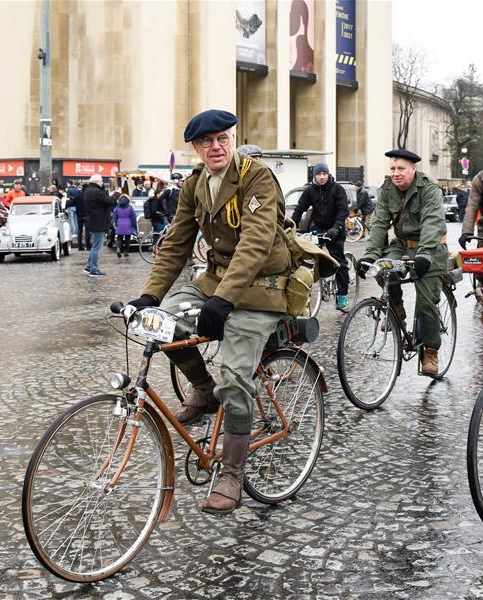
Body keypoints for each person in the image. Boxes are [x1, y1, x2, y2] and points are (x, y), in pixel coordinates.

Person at [127, 109, 293, 515]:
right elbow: (176, 243)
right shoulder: (195, 184)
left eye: (222, 139)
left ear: (233, 139)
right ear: (195, 148)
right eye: (206, 142)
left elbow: (256, 242)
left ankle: (233, 471)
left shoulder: (256, 176)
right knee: (160, 326)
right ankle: (204, 391)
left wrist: (225, 300)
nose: (215, 147)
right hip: (215, 280)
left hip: (261, 287)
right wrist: (150, 296)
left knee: (236, 376)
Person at [359, 149, 447, 377]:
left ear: (413, 169)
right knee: (381, 267)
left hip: (430, 248)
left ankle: (430, 351)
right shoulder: (388, 188)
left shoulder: (428, 188)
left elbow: (432, 223)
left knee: (427, 303)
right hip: (401, 245)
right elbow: (379, 222)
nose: (396, 174)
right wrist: (370, 255)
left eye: (401, 169)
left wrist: (425, 255)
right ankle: (396, 308)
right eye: (392, 169)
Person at [291, 162, 350, 311]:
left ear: (328, 175)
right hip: (319, 228)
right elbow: (300, 209)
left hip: (335, 229)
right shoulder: (310, 191)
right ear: (314, 176)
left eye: (324, 174)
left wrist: (336, 228)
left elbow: (343, 211)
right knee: (309, 259)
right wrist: (291, 225)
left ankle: (342, 295)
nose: (322, 177)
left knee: (339, 262)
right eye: (319, 174)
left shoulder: (337, 189)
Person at [83, 174, 115, 277]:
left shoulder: (89, 190)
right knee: (97, 247)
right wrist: (116, 194)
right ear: (97, 182)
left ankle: (88, 266)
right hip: (98, 222)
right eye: (101, 181)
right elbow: (109, 201)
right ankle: (93, 268)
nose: (102, 183)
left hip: (93, 221)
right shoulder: (97, 192)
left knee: (94, 246)